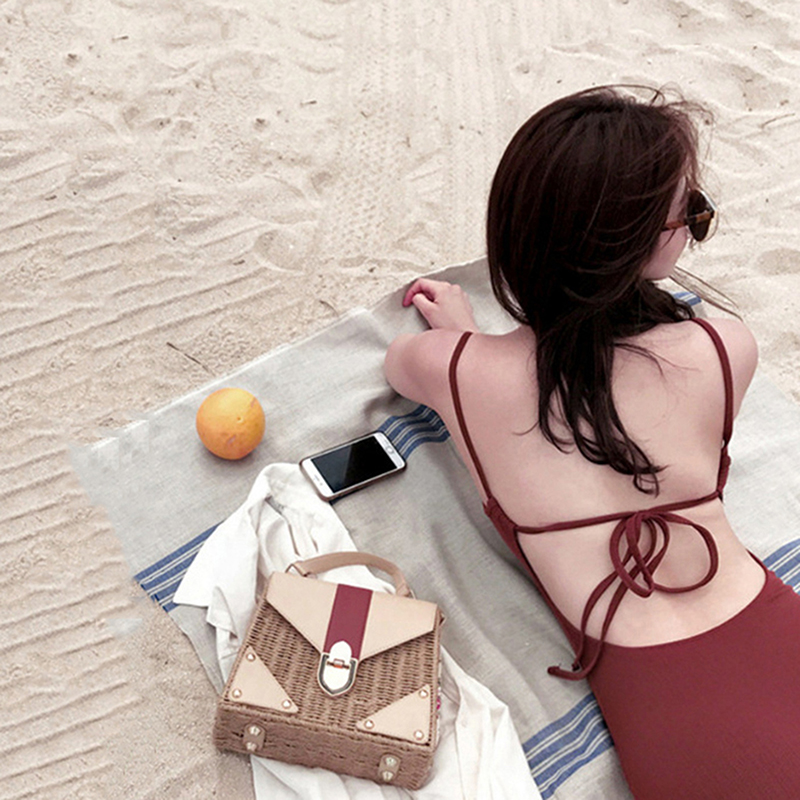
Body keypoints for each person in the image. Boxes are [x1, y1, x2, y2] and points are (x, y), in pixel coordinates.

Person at [384, 86, 800, 799]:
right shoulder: (723, 347)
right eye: (694, 214)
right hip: (772, 631)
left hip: (667, 713)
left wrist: (466, 340)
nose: (696, 226)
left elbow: (404, 366)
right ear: (643, 245)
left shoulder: (452, 371)